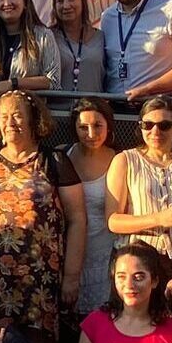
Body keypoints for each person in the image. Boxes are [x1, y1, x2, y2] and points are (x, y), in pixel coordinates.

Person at [0, 91, 86, 343]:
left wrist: (71, 277)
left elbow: (77, 219)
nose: (10, 122)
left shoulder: (54, 161)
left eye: (17, 115)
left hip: (40, 281)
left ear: (33, 120)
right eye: (4, 116)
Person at [104, 96, 172, 311]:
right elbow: (113, 221)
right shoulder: (125, 161)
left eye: (164, 125)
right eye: (148, 125)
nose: (155, 132)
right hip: (135, 261)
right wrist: (157, 219)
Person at [66, 98, 120, 318]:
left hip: (106, 249)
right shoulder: (64, 157)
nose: (91, 133)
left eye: (98, 125)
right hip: (72, 249)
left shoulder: (119, 159)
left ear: (108, 125)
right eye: (83, 127)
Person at [50, 0, 106, 94]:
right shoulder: (49, 37)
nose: (66, 6)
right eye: (60, 1)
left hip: (92, 109)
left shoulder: (100, 37)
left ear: (82, 2)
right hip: (57, 110)